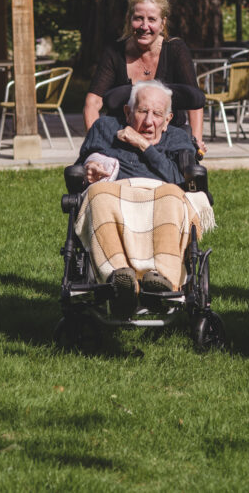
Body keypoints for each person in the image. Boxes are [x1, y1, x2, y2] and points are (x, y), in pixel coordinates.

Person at [76, 81, 212, 318]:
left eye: (157, 114)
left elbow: (178, 177)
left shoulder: (179, 137)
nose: (149, 121)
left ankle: (163, 281)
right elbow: (82, 165)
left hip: (161, 197)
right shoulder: (105, 128)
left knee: (173, 196)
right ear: (128, 112)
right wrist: (90, 170)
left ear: (168, 119)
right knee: (97, 195)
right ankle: (118, 278)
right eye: (142, 111)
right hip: (115, 195)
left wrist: (143, 144)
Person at [83, 0, 208, 154]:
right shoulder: (114, 52)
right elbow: (92, 103)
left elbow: (193, 101)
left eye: (152, 19)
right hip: (122, 138)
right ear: (129, 20)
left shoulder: (175, 50)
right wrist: (97, 143)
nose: (144, 26)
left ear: (162, 23)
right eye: (138, 18)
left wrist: (196, 141)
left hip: (168, 138)